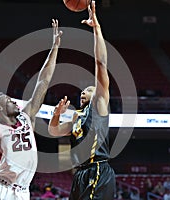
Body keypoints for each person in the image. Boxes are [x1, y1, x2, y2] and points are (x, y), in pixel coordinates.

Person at [0, 19, 62, 200]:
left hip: (22, 191)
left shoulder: (27, 115)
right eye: (8, 100)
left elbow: (42, 82)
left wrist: (55, 48)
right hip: (1, 188)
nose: (14, 101)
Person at [48, 2, 115, 199]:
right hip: (81, 174)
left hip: (98, 170)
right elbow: (54, 131)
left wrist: (97, 29)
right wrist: (56, 116)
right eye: (83, 90)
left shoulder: (100, 105)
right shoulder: (76, 117)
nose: (83, 92)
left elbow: (101, 63)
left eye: (89, 89)